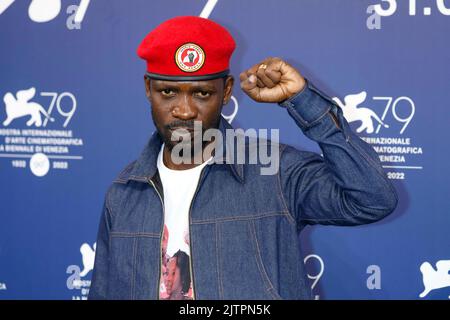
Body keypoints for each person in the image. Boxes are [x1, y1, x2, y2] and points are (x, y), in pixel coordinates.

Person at [89, 15, 398, 300]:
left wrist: (302, 100)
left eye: (202, 94)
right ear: (148, 88)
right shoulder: (124, 192)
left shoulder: (275, 171)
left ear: (226, 92)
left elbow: (372, 199)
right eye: (168, 92)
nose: (184, 110)